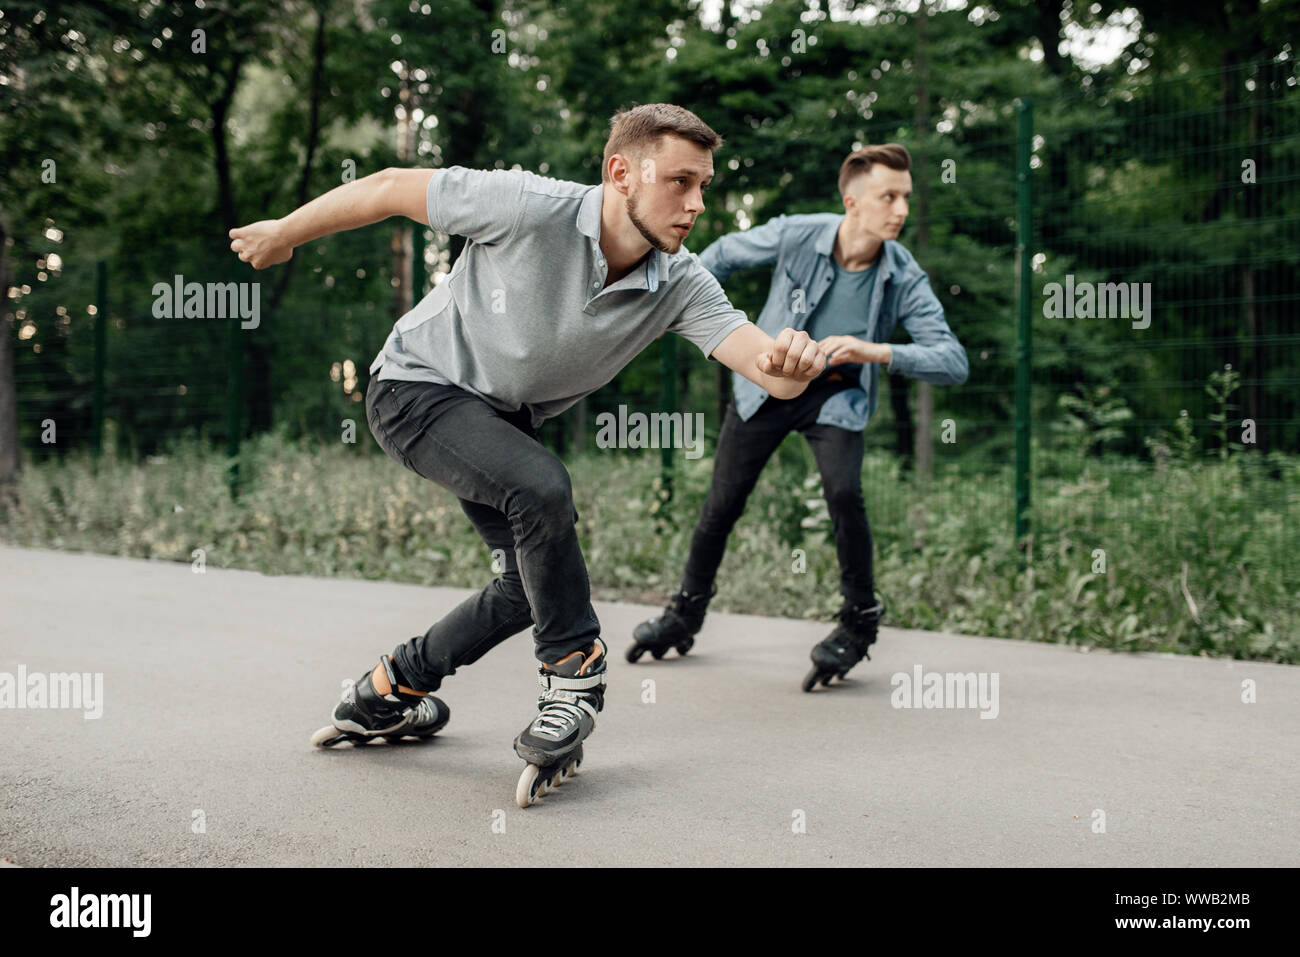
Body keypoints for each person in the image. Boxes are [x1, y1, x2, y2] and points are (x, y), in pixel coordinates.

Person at [227, 103, 827, 803]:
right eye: (679, 182)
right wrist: (285, 233)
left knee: (525, 586)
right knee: (540, 486)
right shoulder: (527, 205)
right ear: (621, 172)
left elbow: (762, 362)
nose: (695, 204)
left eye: (704, 186)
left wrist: (796, 359)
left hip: (500, 417)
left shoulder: (680, 283)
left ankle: (391, 685)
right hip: (415, 387)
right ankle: (574, 670)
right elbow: (389, 185)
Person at [628, 143, 969, 691]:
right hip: (768, 383)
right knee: (721, 504)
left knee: (844, 495)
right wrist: (683, 307)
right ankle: (684, 613)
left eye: (906, 197)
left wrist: (873, 350)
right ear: (852, 202)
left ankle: (858, 623)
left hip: (835, 395)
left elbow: (953, 361)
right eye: (889, 196)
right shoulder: (798, 233)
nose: (901, 209)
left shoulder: (902, 273)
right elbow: (719, 255)